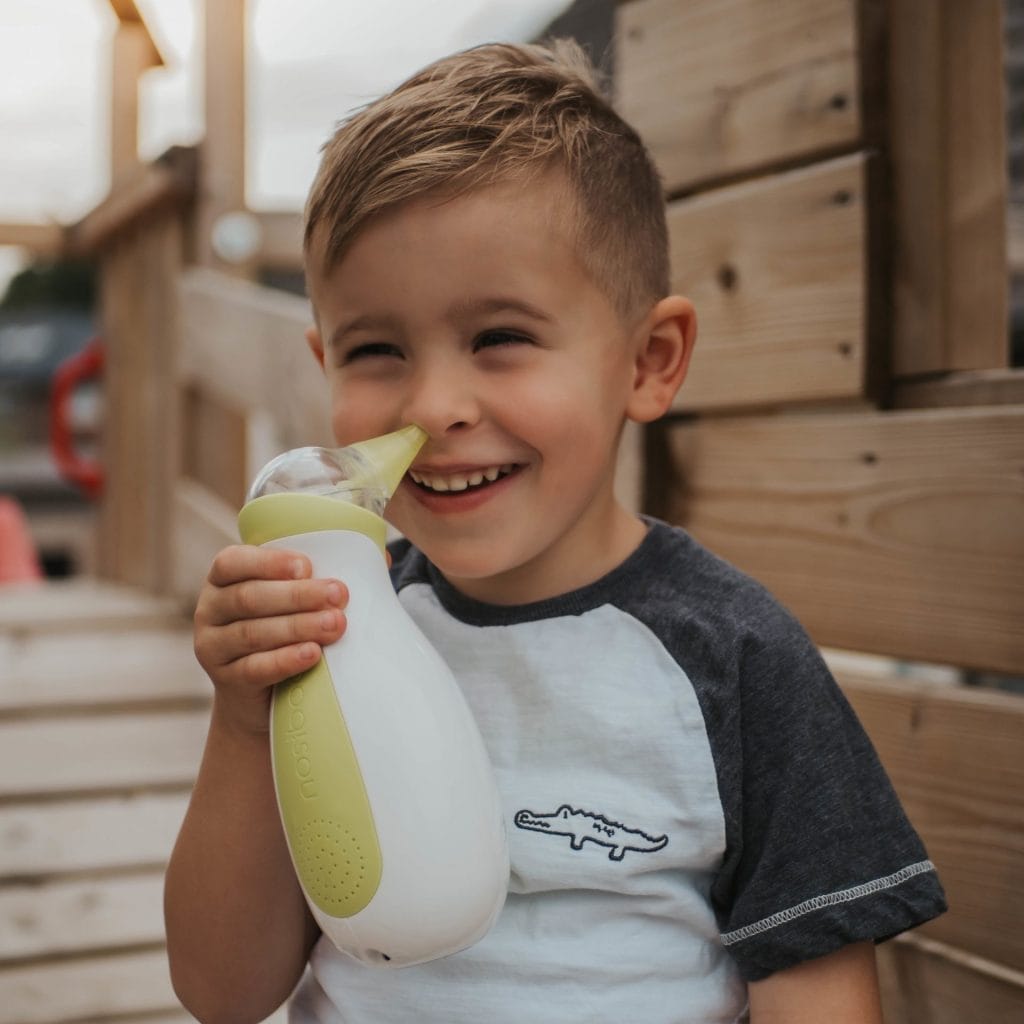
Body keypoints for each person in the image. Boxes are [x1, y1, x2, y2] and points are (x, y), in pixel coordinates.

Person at [164, 39, 946, 1024]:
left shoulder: (734, 662)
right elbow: (220, 992)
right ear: (322, 363)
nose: (434, 402)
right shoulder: (334, 630)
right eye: (376, 350)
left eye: (500, 338)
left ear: (647, 361)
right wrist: (244, 718)